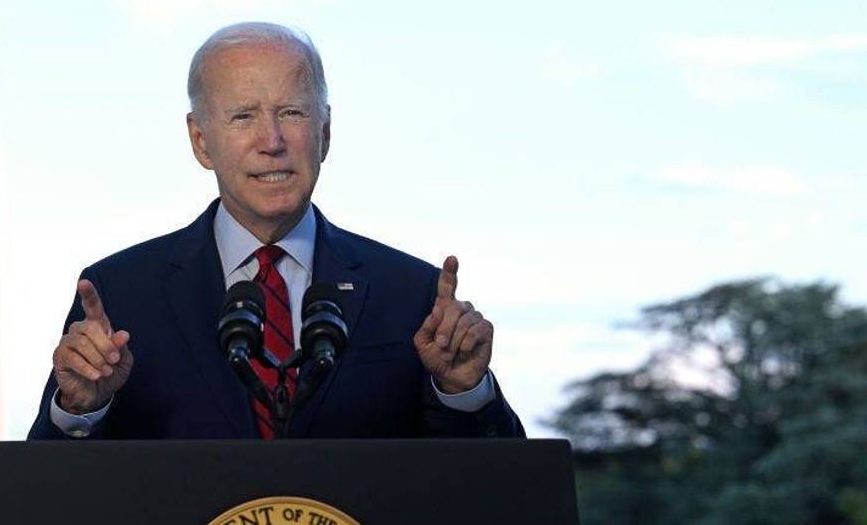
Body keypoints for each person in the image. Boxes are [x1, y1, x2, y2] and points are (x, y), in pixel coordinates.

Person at [28, 22, 523, 441]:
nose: (272, 141)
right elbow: (52, 498)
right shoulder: (120, 294)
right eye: (244, 117)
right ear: (201, 142)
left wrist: (462, 392)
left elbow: (493, 494)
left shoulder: (412, 292)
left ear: (324, 133)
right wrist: (80, 409)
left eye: (292, 112)